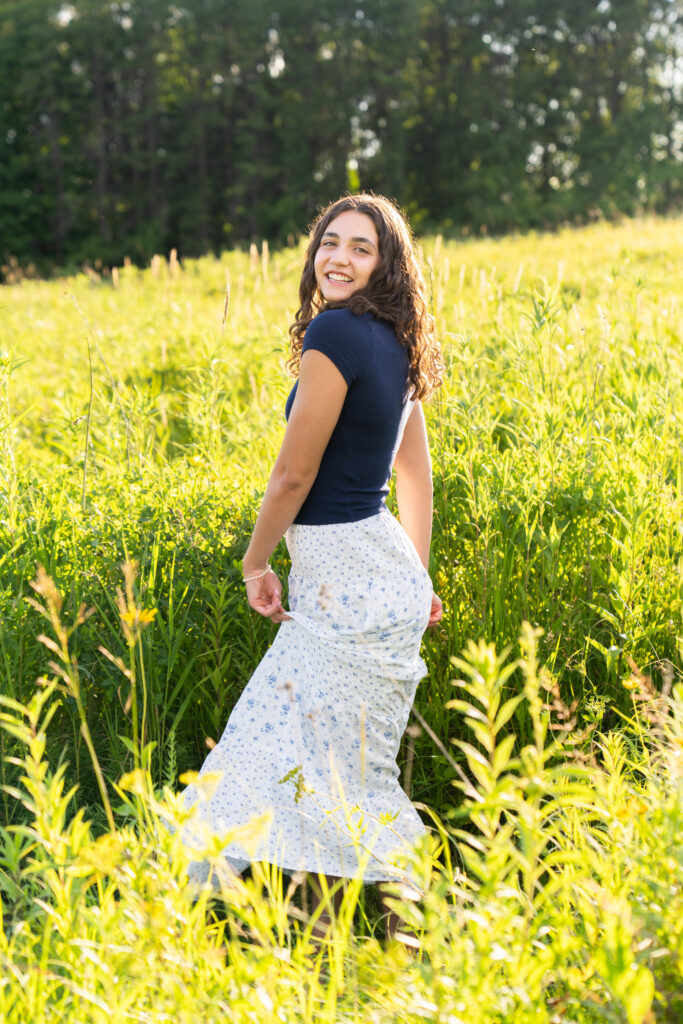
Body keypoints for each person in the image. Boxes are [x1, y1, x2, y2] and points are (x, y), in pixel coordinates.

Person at [178, 192, 444, 943]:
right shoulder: (396, 341)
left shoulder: (336, 333)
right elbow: (417, 480)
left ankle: (404, 932)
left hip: (346, 582)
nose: (338, 258)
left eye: (361, 248)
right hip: (379, 577)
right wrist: (415, 579)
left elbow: (290, 477)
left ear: (386, 264)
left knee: (268, 756)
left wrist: (255, 561)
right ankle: (349, 939)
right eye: (331, 243)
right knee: (337, 773)